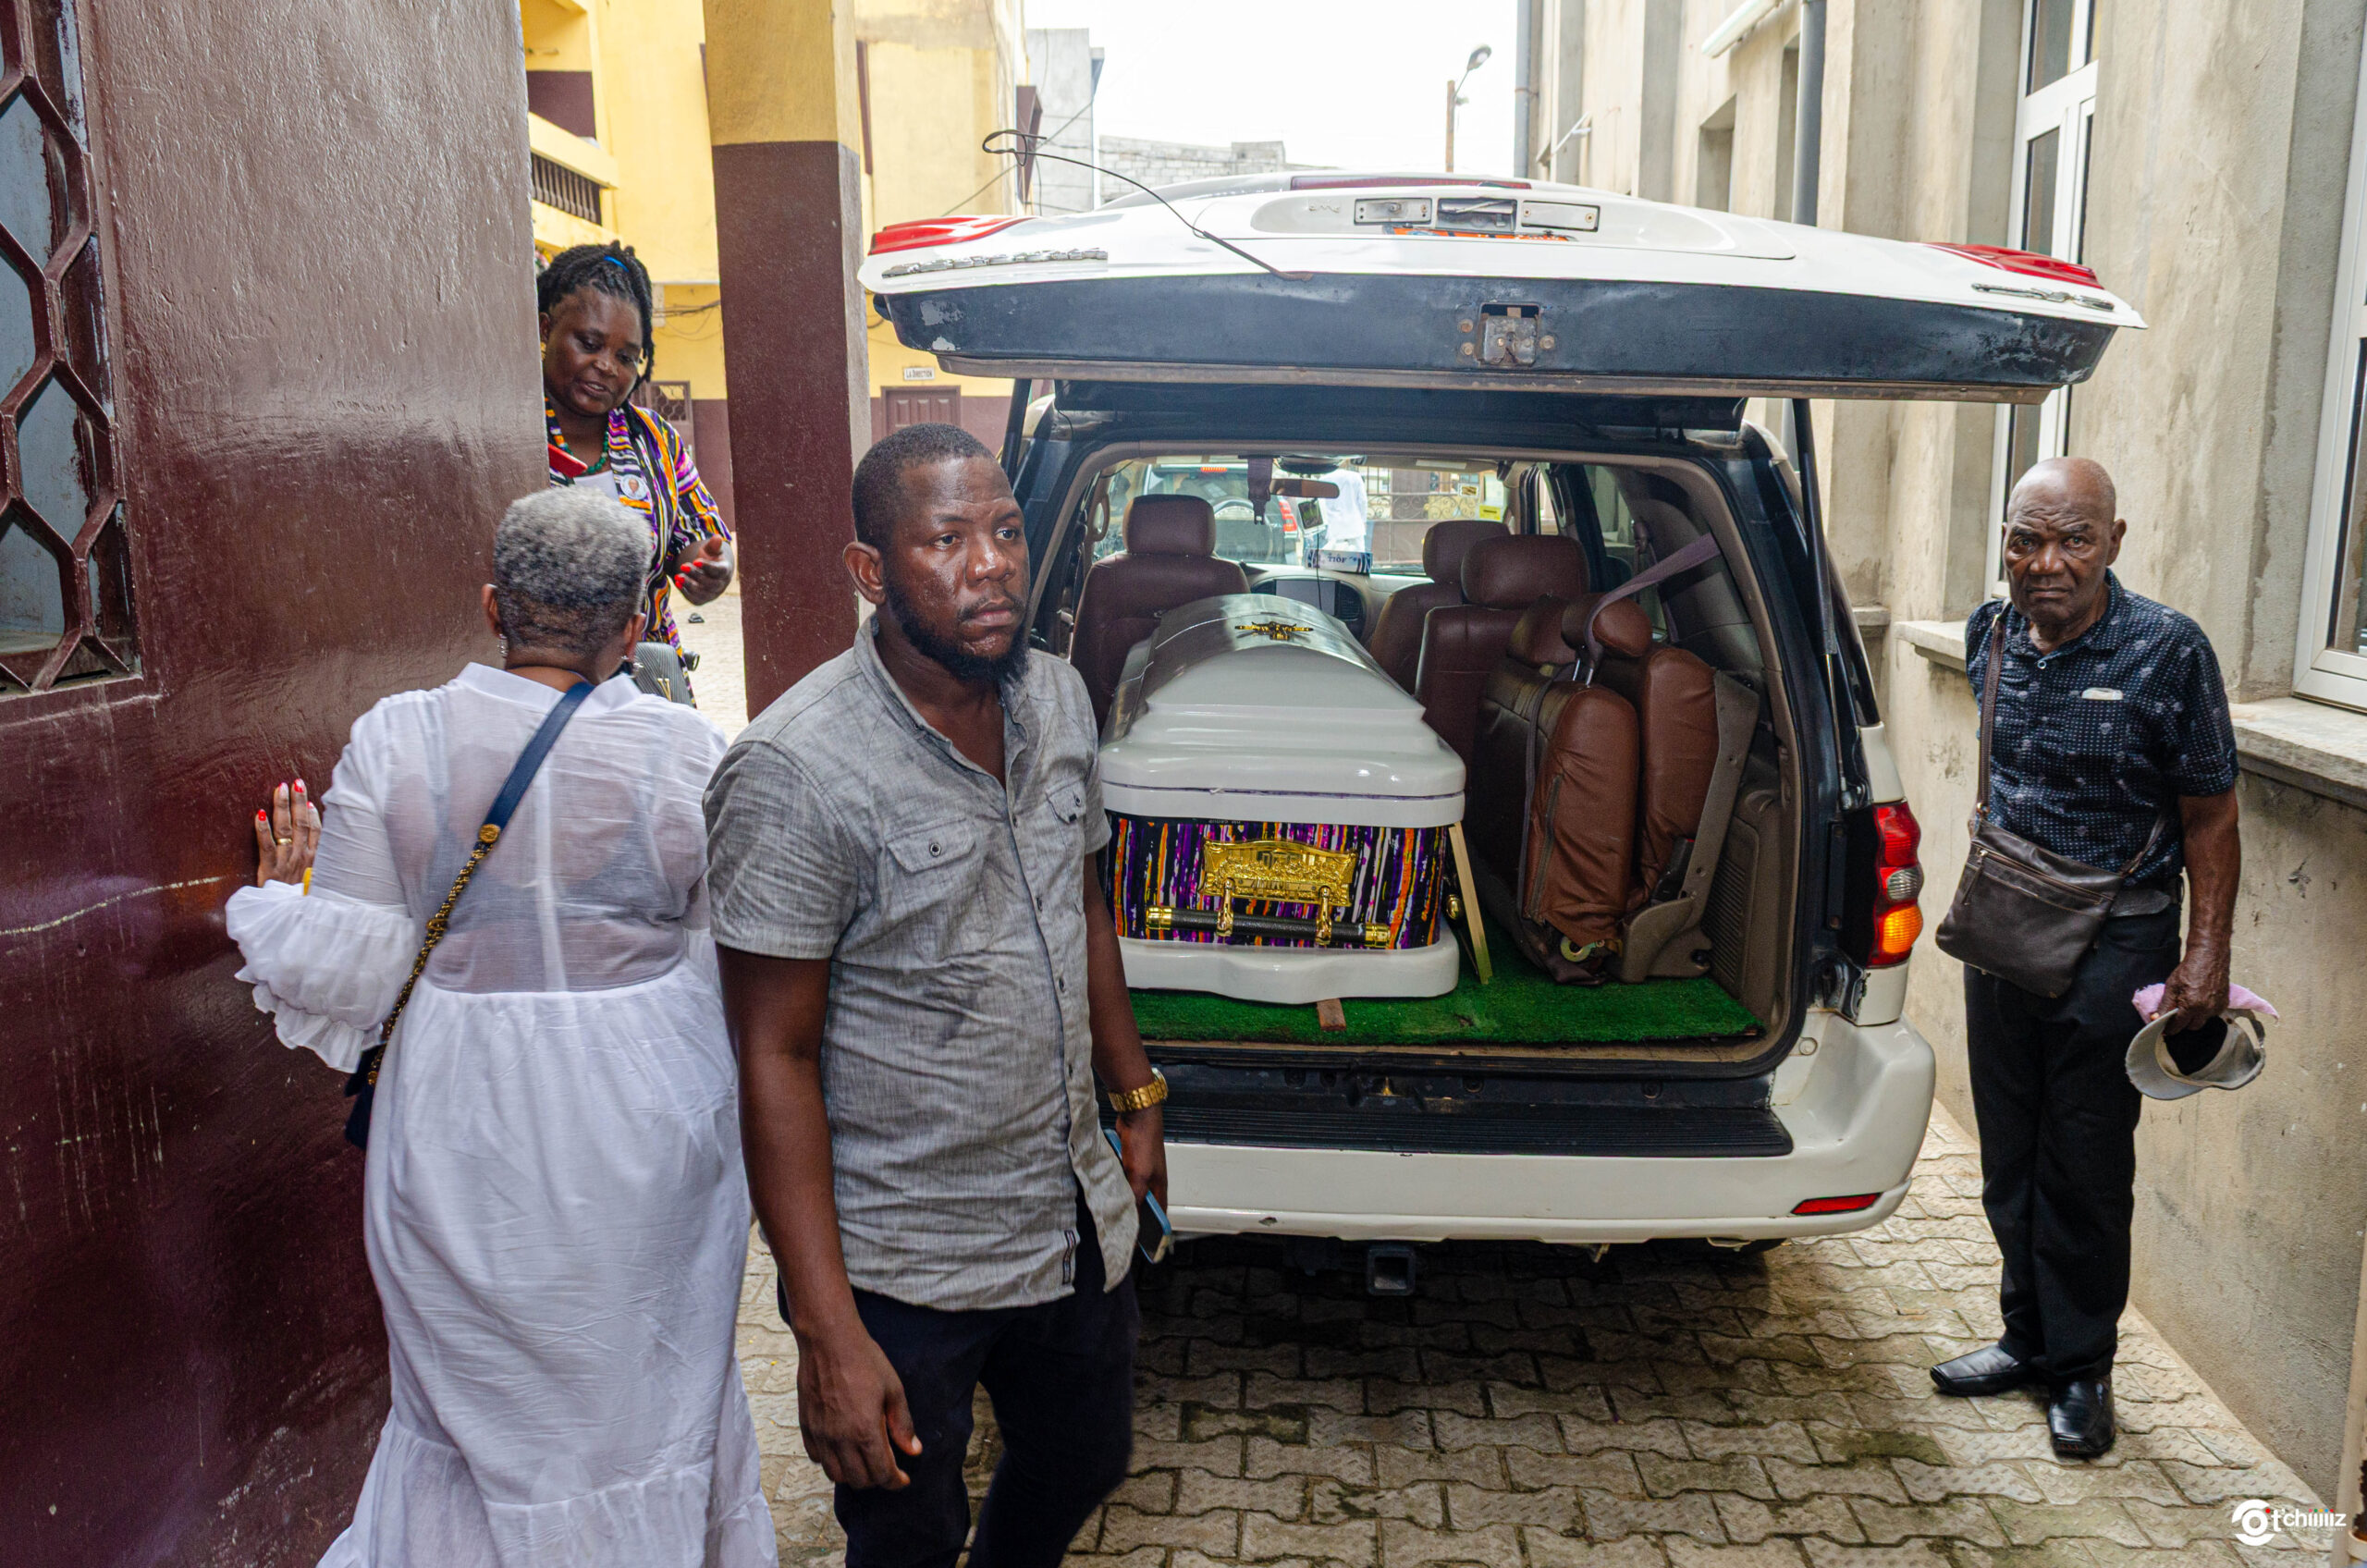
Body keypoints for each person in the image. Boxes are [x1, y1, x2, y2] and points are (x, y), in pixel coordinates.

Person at [224, 490, 775, 1566]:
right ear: (635, 624)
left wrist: (276, 899)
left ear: (491, 606)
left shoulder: (399, 739)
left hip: (458, 1121)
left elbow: (353, 970)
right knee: (646, 1392)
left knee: (470, 1410)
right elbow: (740, 966)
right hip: (646, 1128)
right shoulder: (688, 753)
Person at [704, 423, 1165, 1565]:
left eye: (1005, 531)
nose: (992, 565)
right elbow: (772, 1055)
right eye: (947, 540)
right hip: (905, 1258)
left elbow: (1084, 904)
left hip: (1064, 1207)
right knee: (908, 1533)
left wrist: (1135, 1094)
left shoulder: (1057, 698)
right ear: (872, 571)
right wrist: (826, 1331)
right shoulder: (795, 769)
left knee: (1084, 1457)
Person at [1929, 457, 2240, 1460]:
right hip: (2007, 927)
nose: (2047, 562)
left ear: (2113, 541)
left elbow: (2211, 814)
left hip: (2119, 939)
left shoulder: (2167, 649)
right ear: (2005, 546)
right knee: (2009, 1154)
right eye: (2027, 540)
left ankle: (2081, 1368)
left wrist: (2205, 955)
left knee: (2086, 1163)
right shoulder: (1990, 635)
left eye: (2073, 539)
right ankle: (2026, 1339)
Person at [539, 241, 734, 691]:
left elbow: (700, 533)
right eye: (589, 344)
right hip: (544, 684)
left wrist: (711, 567)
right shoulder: (510, 435)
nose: (607, 366)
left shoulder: (654, 439)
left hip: (645, 679)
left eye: (627, 357)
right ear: (547, 329)